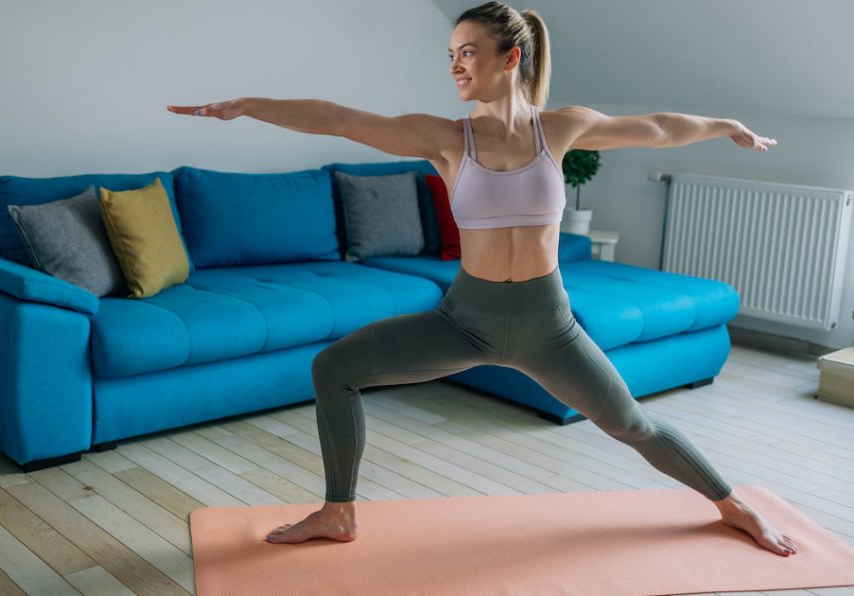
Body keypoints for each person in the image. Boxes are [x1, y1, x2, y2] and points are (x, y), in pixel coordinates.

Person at [167, 1, 796, 557]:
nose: (455, 66)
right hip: (463, 321)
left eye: (467, 52)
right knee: (334, 367)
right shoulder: (444, 138)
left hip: (548, 326)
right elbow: (338, 118)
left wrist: (727, 125)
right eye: (450, 55)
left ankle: (732, 504)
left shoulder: (562, 127)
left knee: (633, 424)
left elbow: (658, 129)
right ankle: (338, 511)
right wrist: (247, 107)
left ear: (509, 57)